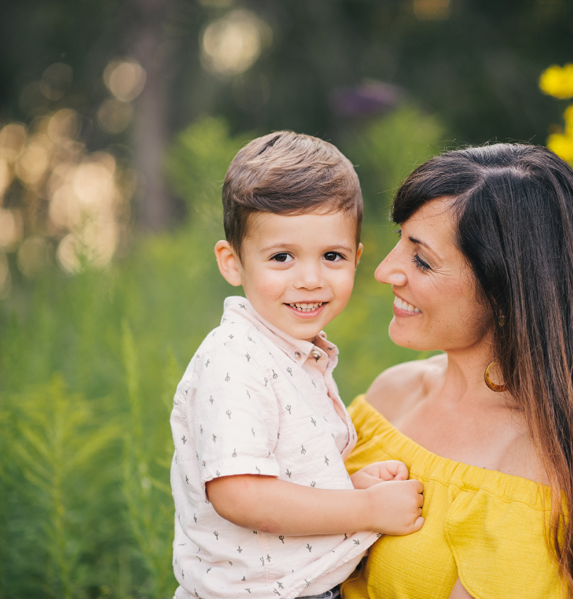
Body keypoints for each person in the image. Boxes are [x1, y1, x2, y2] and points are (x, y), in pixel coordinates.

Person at [342, 143, 573, 599]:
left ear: (506, 291)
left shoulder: (531, 473)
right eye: (400, 240)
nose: (385, 270)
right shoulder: (393, 393)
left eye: (422, 260)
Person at [169, 131, 425, 599]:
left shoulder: (290, 351)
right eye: (282, 257)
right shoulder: (234, 362)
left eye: (332, 256)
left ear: (356, 259)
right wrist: (367, 508)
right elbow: (241, 495)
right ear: (232, 262)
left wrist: (343, 486)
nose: (310, 279)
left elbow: (279, 476)